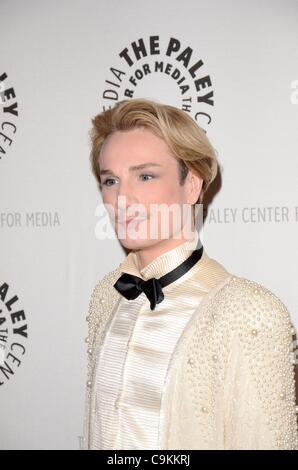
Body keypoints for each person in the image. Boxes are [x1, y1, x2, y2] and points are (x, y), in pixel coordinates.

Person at [82, 98, 298, 450]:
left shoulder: (250, 313)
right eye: (110, 180)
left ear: (192, 186)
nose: (122, 198)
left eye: (146, 176)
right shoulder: (107, 296)